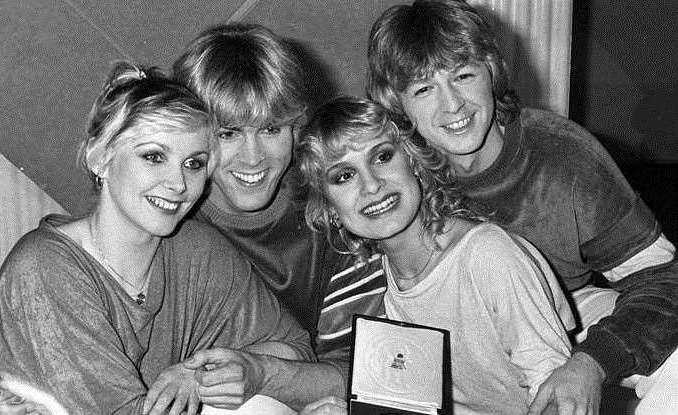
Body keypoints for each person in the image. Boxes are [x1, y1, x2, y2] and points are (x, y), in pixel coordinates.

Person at [366, 1, 678, 414]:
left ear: (491, 71)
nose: (453, 105)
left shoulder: (561, 153)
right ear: (397, 103)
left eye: (463, 75)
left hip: (567, 307)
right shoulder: (396, 173)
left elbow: (664, 278)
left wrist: (593, 362)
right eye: (424, 89)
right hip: (455, 336)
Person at [0, 61, 315, 414]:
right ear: (99, 158)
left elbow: (296, 351)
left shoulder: (194, 248)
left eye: (193, 163)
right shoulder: (45, 268)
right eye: (154, 156)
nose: (178, 184)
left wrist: (207, 372)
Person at [296, 95, 573, 414]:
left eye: (382, 157)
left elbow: (556, 393)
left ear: (412, 161)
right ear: (330, 209)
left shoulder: (485, 255)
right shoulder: (374, 281)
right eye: (344, 176)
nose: (371, 185)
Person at [171, 24, 386, 409]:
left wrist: (264, 374)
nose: (253, 157)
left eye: (270, 129)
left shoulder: (328, 213)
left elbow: (370, 373)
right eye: (229, 133)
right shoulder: (169, 220)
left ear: (295, 128)